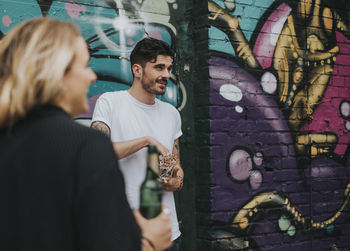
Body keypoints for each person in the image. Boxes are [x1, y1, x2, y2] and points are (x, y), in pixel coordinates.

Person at [0, 17, 172, 251]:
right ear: (57, 73)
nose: (91, 76)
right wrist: (150, 242)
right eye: (84, 66)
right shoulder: (84, 146)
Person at [91, 37, 184, 251]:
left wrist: (175, 181)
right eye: (159, 67)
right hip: (123, 232)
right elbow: (98, 154)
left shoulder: (171, 114)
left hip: (167, 234)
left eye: (169, 68)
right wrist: (146, 141)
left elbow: (177, 169)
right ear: (137, 70)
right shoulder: (110, 103)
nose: (166, 75)